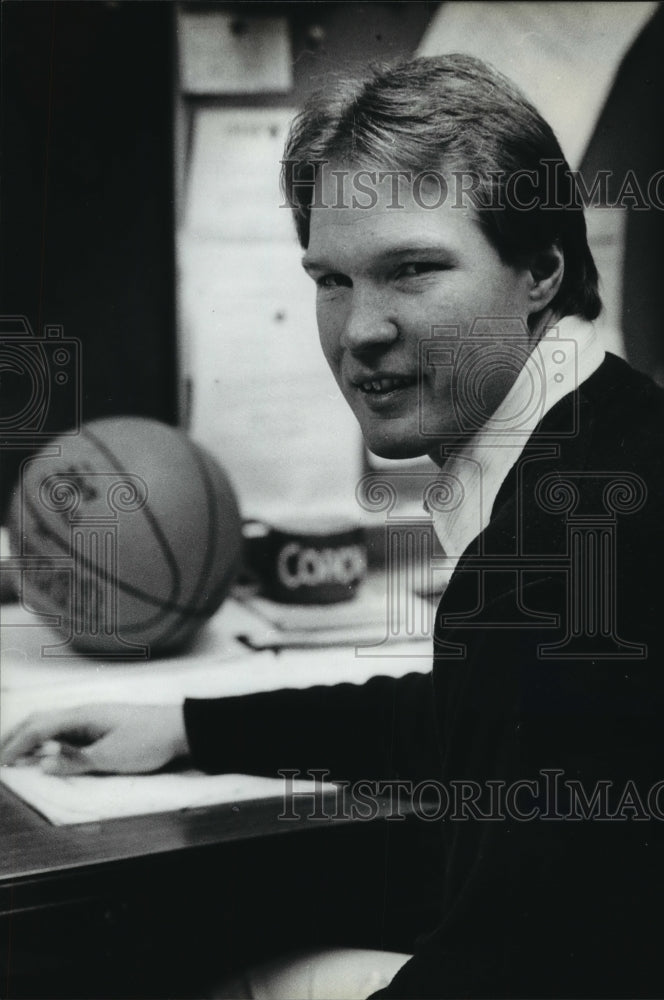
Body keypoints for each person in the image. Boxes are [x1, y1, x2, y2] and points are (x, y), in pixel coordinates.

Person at [3, 54, 664, 998]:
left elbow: (524, 973)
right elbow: (462, 716)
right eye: (331, 281)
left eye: (412, 272)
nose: (359, 332)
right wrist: (190, 726)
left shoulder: (571, 555)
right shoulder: (608, 437)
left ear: (541, 271)